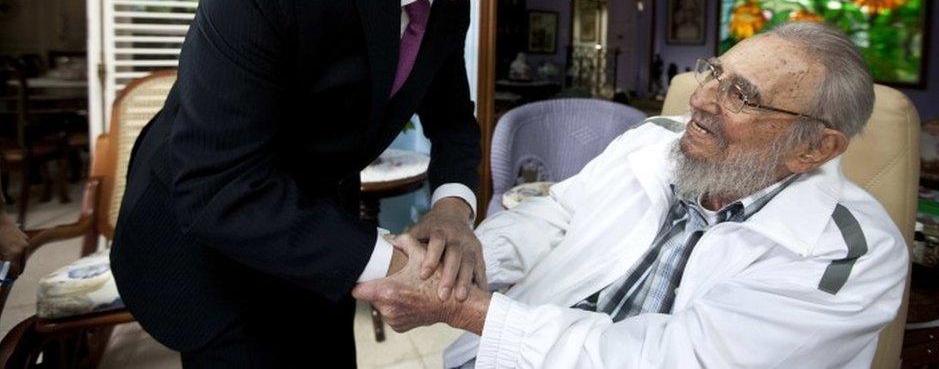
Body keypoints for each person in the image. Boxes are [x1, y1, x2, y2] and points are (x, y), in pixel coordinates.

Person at [109, 0, 549, 366]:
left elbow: (454, 118)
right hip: (207, 244)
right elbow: (218, 180)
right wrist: (394, 266)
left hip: (324, 235)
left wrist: (452, 213)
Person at [354, 22, 909, 368]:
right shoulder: (655, 141)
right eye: (714, 72)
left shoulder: (849, 255)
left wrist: (469, 309)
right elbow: (558, 213)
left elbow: (679, 360)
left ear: (814, 148)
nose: (702, 99)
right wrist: (464, 262)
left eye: (741, 94)